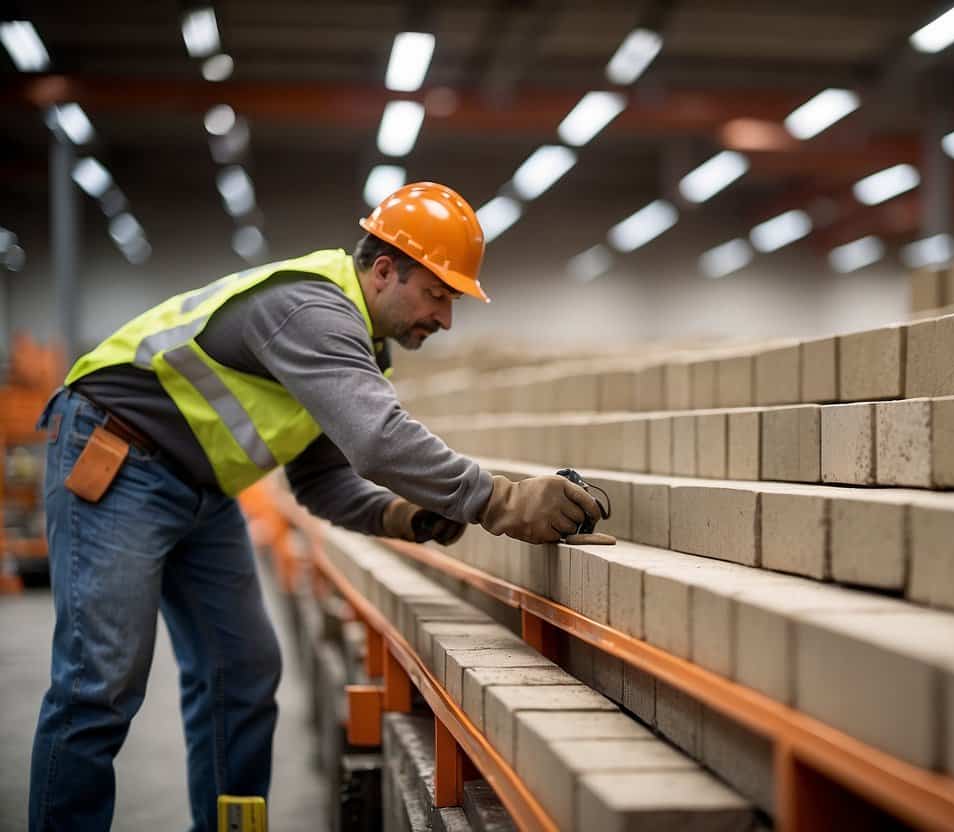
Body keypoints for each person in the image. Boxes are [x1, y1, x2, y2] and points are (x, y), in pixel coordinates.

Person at [28, 182, 607, 831]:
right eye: (438, 295)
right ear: (384, 270)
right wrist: (498, 499)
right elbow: (376, 440)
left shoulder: (353, 348)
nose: (445, 319)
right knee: (99, 686)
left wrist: (403, 517)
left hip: (201, 489)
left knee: (242, 674)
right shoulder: (312, 309)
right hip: (116, 455)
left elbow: (321, 481)